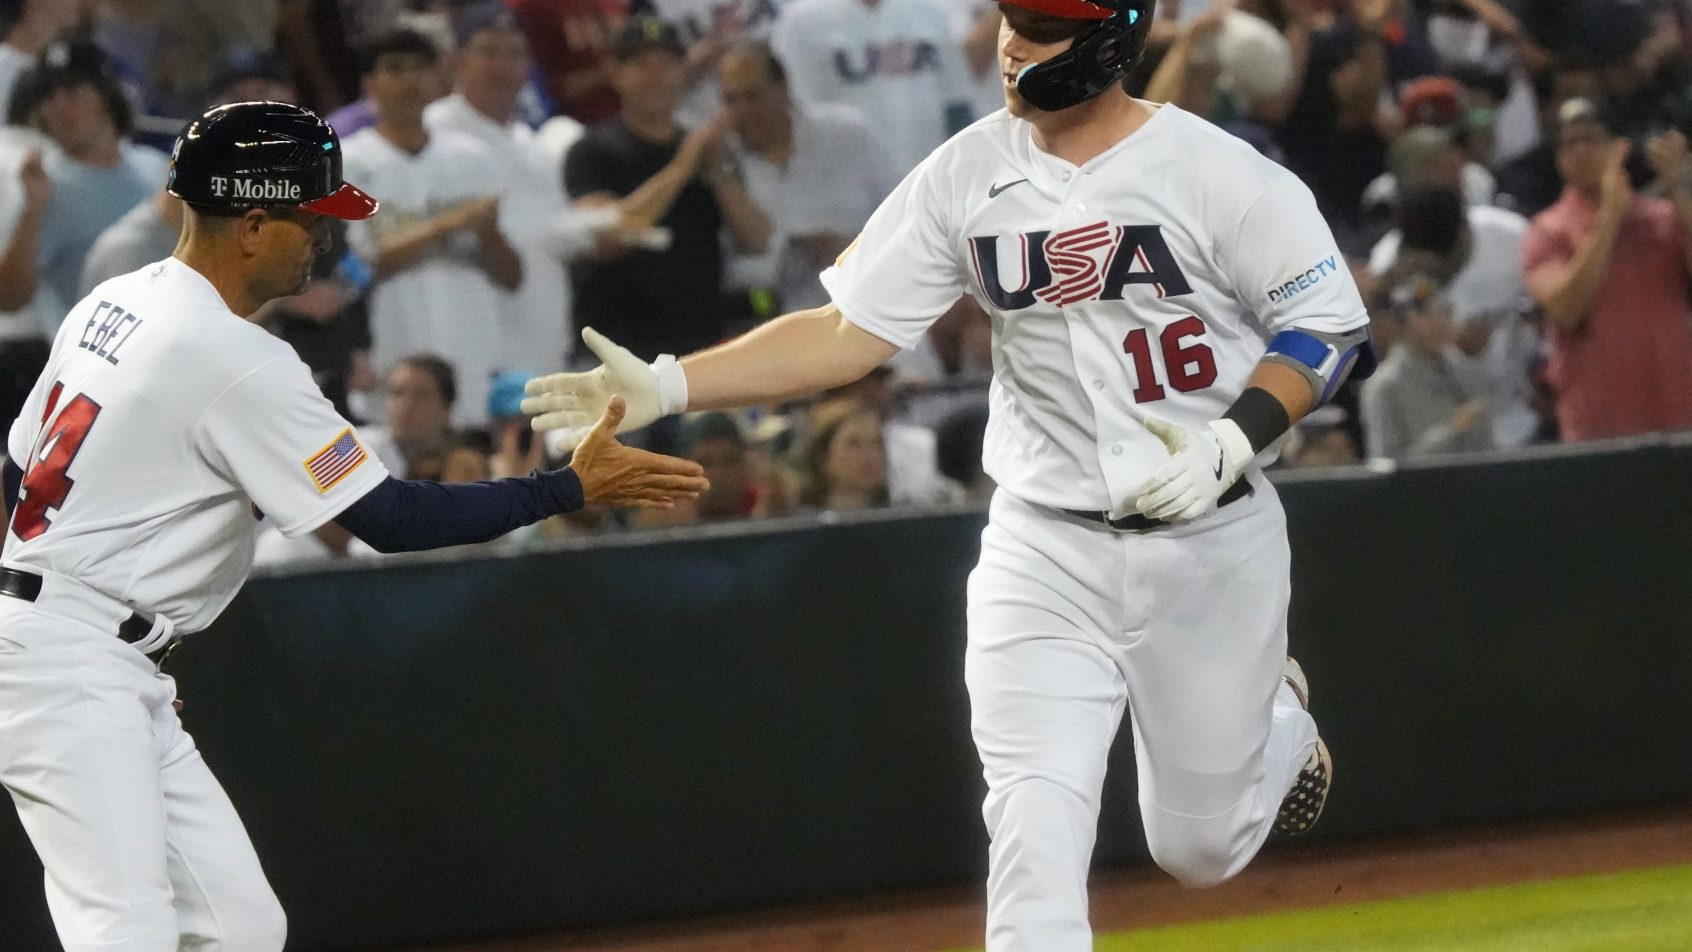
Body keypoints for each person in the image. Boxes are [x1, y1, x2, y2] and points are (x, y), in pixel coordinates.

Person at [524, 2, 1370, 948]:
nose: (1014, 42)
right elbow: (849, 330)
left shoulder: (1220, 172)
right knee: (1033, 826)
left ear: (1109, 39)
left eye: (1044, 24)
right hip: (1042, 545)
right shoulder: (970, 168)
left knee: (1199, 852)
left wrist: (1233, 437)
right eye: (1014, 18)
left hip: (1211, 538)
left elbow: (1328, 326)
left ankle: (1277, 720)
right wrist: (677, 380)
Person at [0, 101, 707, 952]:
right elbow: (390, 517)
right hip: (65, 659)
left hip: (77, 648)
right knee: (127, 934)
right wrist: (563, 488)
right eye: (310, 217)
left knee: (238, 927)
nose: (323, 237)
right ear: (253, 224)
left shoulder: (114, 301)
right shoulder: (235, 357)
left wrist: (110, 642)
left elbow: (16, 469)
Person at [341, 28, 524, 428]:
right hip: (391, 341)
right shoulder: (348, 162)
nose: (410, 81)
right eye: (395, 69)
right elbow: (362, 265)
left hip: (471, 342)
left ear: (439, 78)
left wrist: (488, 233)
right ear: (369, 84)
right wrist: (450, 223)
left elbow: (513, 276)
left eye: (421, 69)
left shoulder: (472, 157)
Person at [1522, 97, 1692, 442]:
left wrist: (1677, 188)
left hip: (1677, 414)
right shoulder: (1547, 230)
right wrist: (1608, 219)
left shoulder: (1662, 217)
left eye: (1591, 139)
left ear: (1620, 148)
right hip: (1600, 425)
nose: (1581, 152)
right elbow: (1566, 309)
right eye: (1569, 144)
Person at [1359, 275, 1493, 460]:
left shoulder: (1465, 371)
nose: (1439, 322)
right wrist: (1451, 431)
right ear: (1401, 324)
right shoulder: (1385, 385)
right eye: (1425, 315)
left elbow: (1487, 447)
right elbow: (1386, 463)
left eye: (1444, 312)